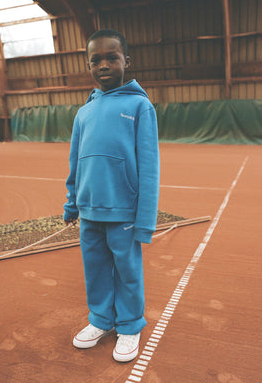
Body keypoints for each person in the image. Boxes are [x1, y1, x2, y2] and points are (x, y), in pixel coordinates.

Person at [63, 29, 160, 362]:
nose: (103, 64)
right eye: (95, 59)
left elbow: (149, 168)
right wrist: (72, 203)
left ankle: (130, 325)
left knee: (127, 270)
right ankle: (101, 320)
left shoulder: (139, 106)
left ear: (126, 61)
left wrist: (145, 220)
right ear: (88, 65)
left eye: (111, 57)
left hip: (124, 214)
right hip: (89, 213)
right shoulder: (83, 113)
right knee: (96, 270)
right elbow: (75, 162)